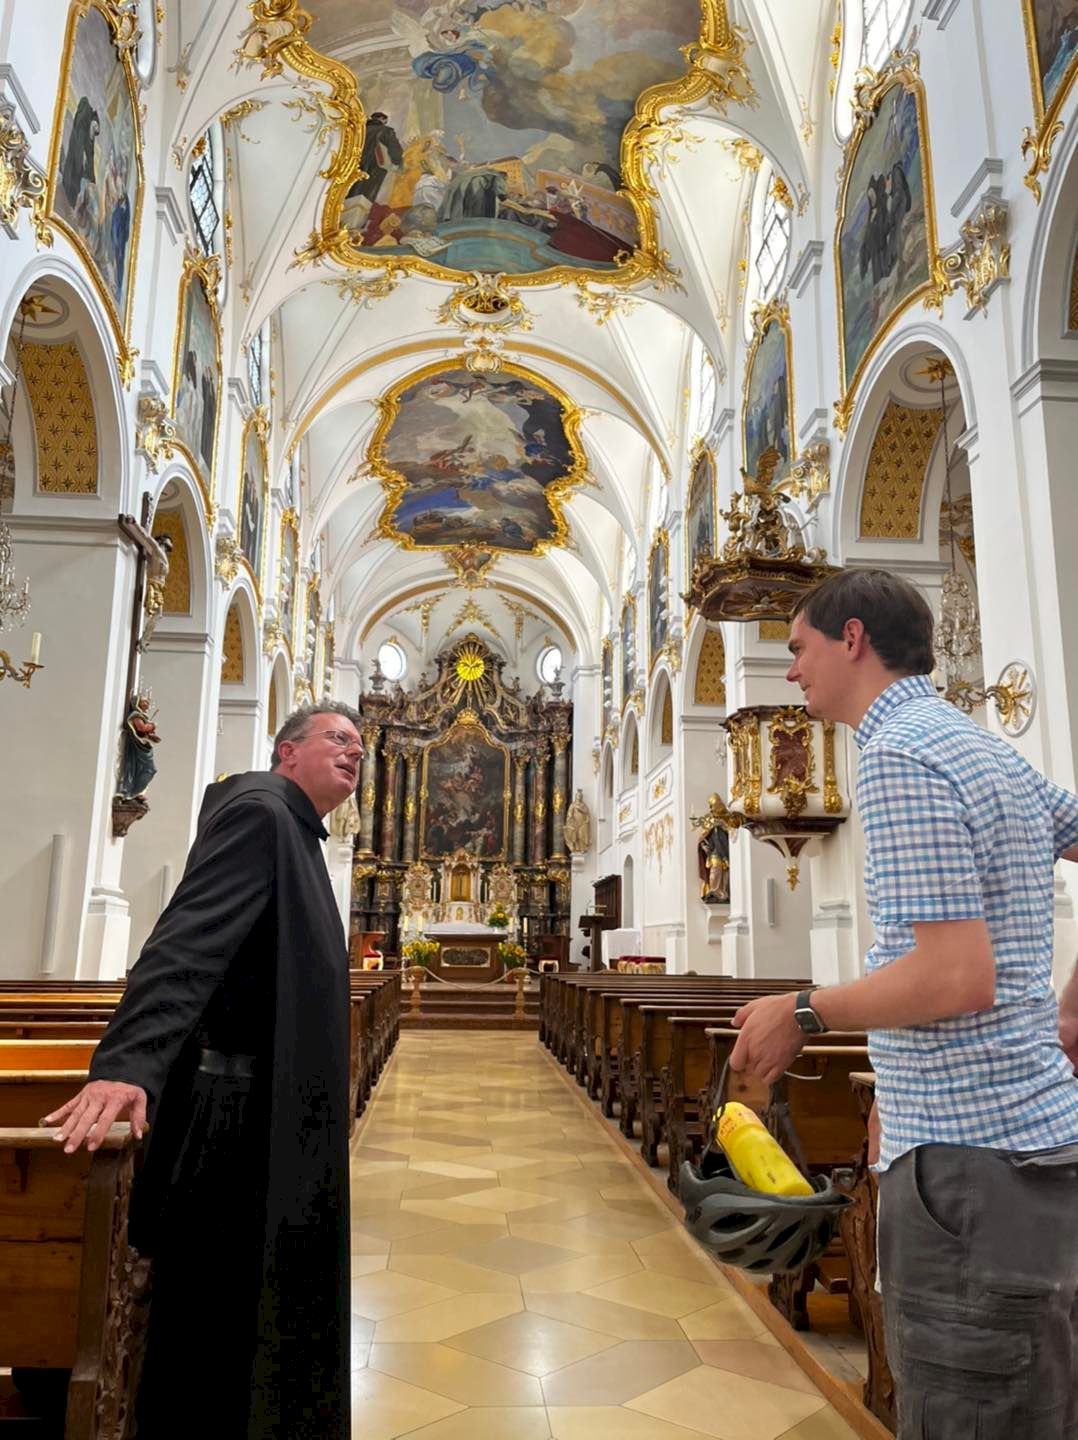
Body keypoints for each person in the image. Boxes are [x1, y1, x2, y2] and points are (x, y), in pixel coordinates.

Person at [728, 568, 1078, 1439]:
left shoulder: (898, 756)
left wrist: (801, 1011)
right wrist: (1070, 1011)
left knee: (968, 1414)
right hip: (1029, 1148)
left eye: (799, 648)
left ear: (852, 639)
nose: (791, 671)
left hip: (972, 1176)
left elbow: (955, 977)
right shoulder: (980, 745)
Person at [45, 703, 365, 1439]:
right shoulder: (261, 814)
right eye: (337, 738)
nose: (353, 752)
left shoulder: (292, 826)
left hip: (268, 1103)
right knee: (219, 1307)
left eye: (359, 744)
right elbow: (185, 944)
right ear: (288, 751)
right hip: (239, 1120)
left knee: (245, 1303)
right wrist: (127, 1064)